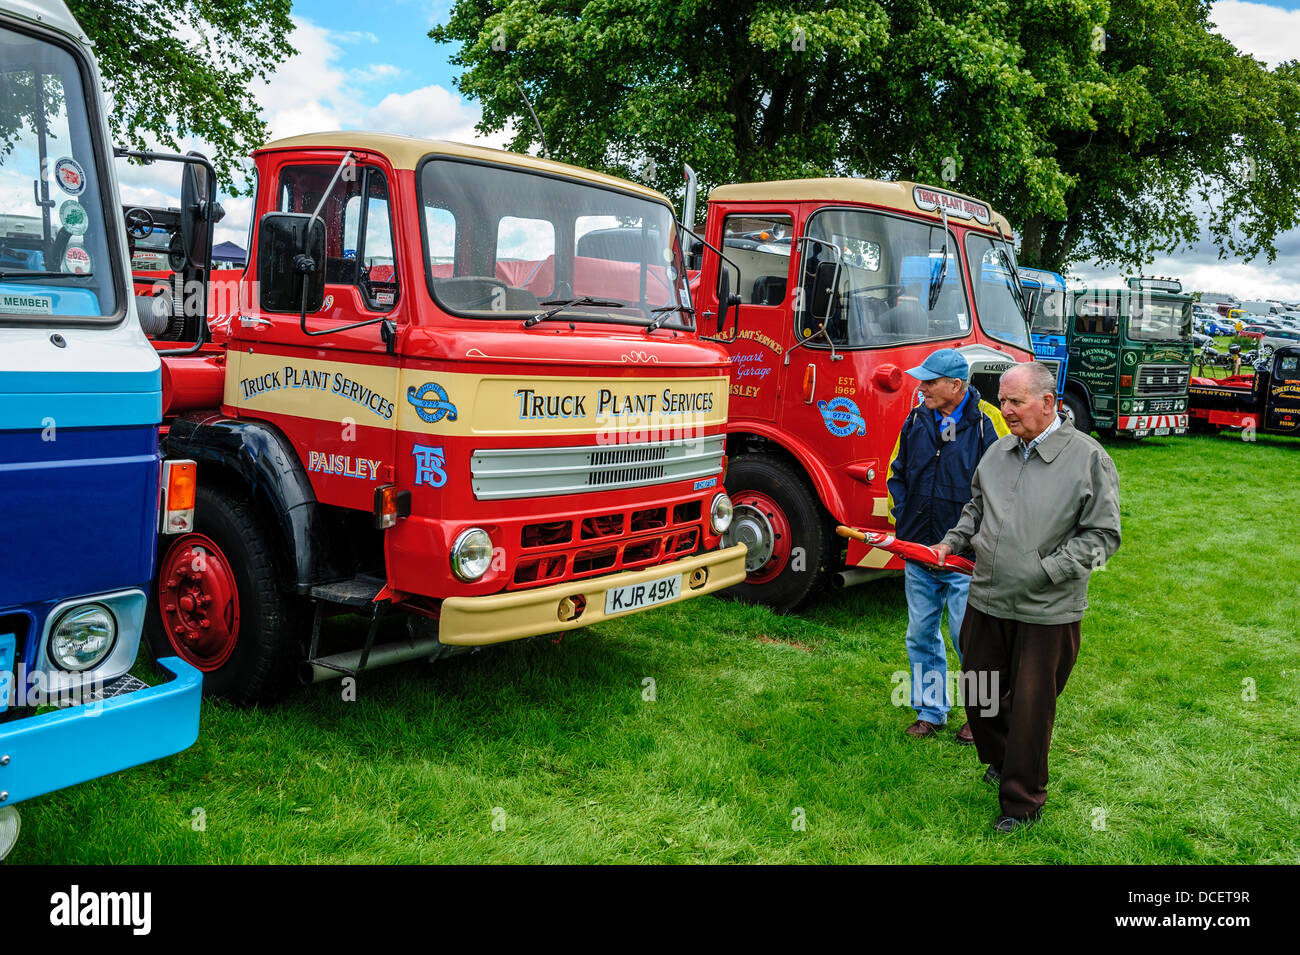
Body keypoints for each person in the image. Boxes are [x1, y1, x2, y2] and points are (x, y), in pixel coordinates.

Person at [935, 361, 1121, 832]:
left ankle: (1021, 803)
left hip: (1048, 610)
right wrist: (952, 542)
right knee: (980, 696)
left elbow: (1103, 536)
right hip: (987, 599)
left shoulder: (1088, 458)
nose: (1006, 410)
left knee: (1032, 710)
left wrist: (1047, 571)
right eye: (1003, 400)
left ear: (1048, 402)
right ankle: (1001, 757)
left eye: (1015, 401)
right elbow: (976, 508)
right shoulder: (998, 452)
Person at [886, 348, 1008, 741]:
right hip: (919, 550)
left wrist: (983, 541)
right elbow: (896, 471)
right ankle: (930, 711)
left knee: (969, 638)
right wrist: (904, 518)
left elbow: (1006, 486)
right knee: (920, 633)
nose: (921, 387)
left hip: (966, 558)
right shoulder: (916, 418)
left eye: (930, 381)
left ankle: (982, 716)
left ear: (956, 385)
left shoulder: (990, 423)